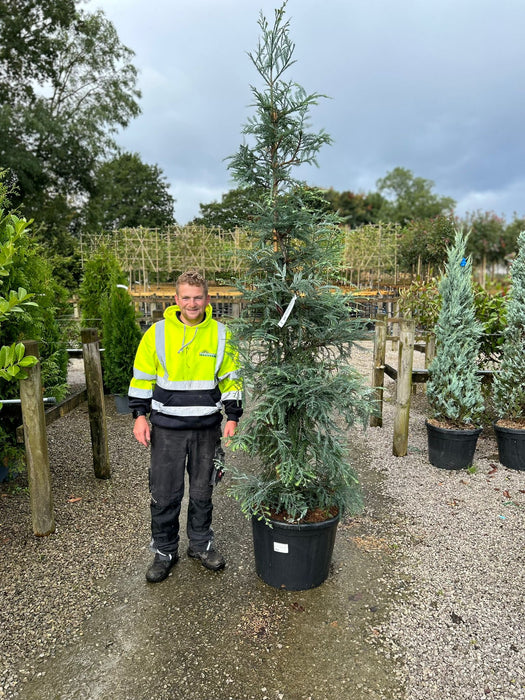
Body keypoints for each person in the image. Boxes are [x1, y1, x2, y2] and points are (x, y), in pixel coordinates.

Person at [128, 271, 243, 583]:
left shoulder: (221, 334)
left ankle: (201, 544)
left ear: (207, 299)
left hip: (207, 428)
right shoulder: (157, 333)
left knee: (203, 491)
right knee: (164, 494)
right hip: (166, 429)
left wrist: (232, 416)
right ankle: (165, 550)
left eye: (198, 297)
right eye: (186, 297)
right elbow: (142, 377)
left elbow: (231, 378)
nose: (192, 303)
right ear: (176, 299)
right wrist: (139, 414)